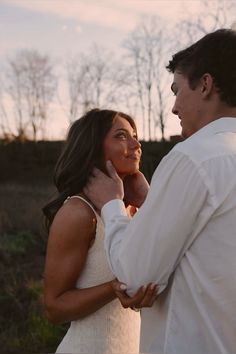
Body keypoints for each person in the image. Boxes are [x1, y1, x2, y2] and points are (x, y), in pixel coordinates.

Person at [84, 29, 236, 353]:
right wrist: (155, 203)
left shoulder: (193, 158)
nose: (174, 107)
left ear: (205, 85)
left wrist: (112, 205)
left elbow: (134, 275)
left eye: (177, 90)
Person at [42, 108, 158, 354]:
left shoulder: (132, 211)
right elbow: (54, 308)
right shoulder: (78, 213)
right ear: (93, 148)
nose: (136, 144)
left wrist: (149, 202)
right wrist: (113, 288)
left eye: (134, 135)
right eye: (121, 136)